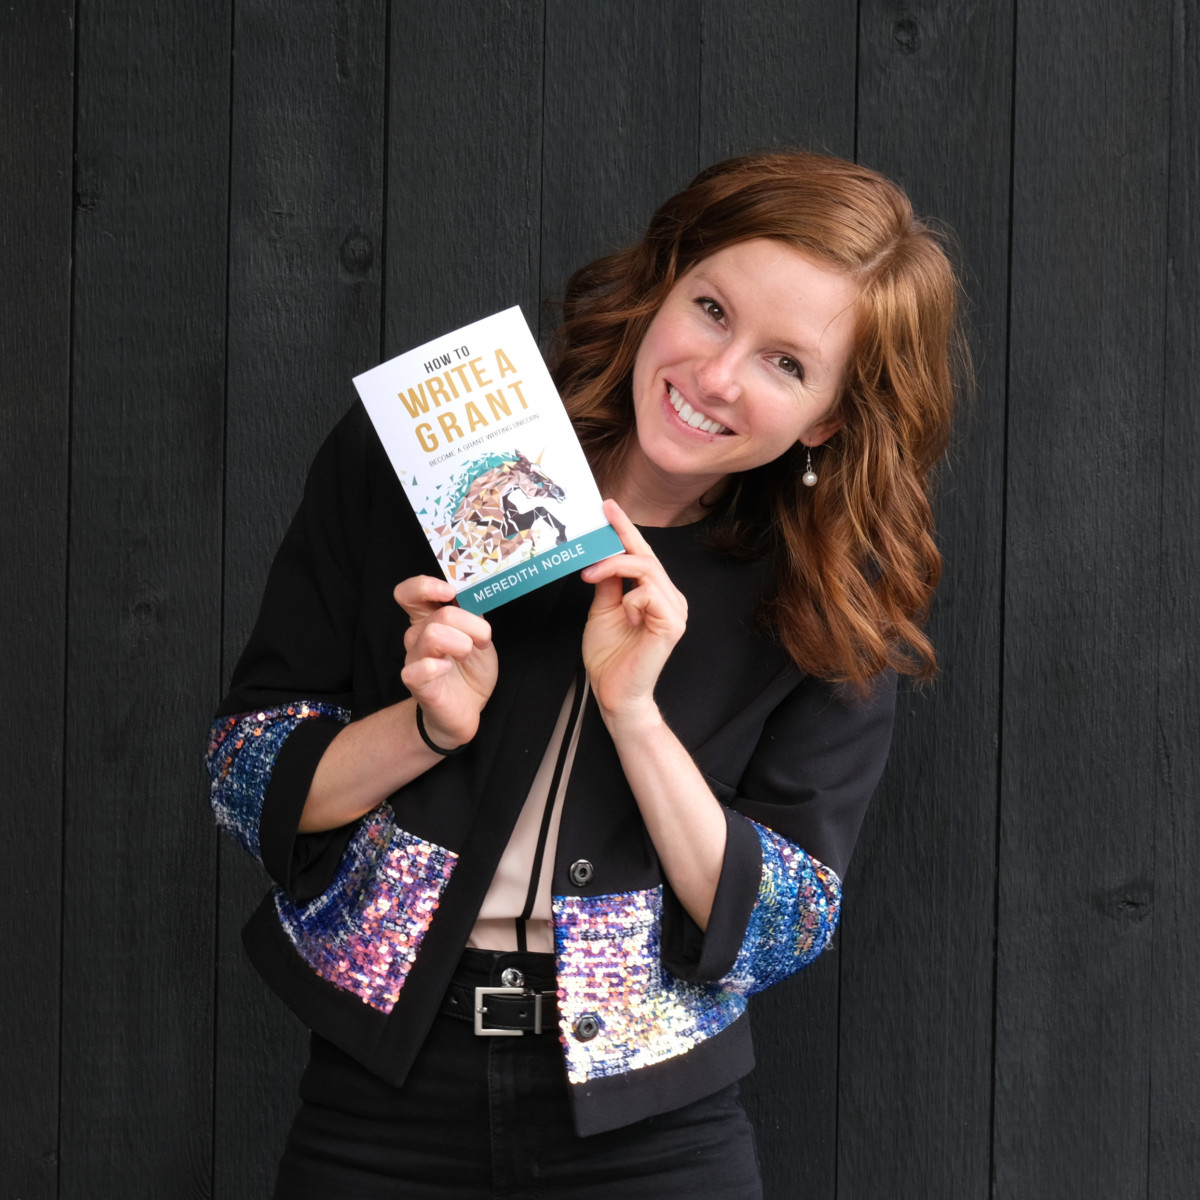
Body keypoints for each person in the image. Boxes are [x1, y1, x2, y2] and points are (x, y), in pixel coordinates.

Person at [207, 150, 961, 1198]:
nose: (715, 376)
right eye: (710, 309)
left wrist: (636, 714)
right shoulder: (426, 461)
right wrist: (423, 729)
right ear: (664, 283)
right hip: (379, 1095)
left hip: (655, 1128)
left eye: (788, 364)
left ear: (827, 418)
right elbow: (247, 779)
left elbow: (784, 921)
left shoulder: (831, 592)